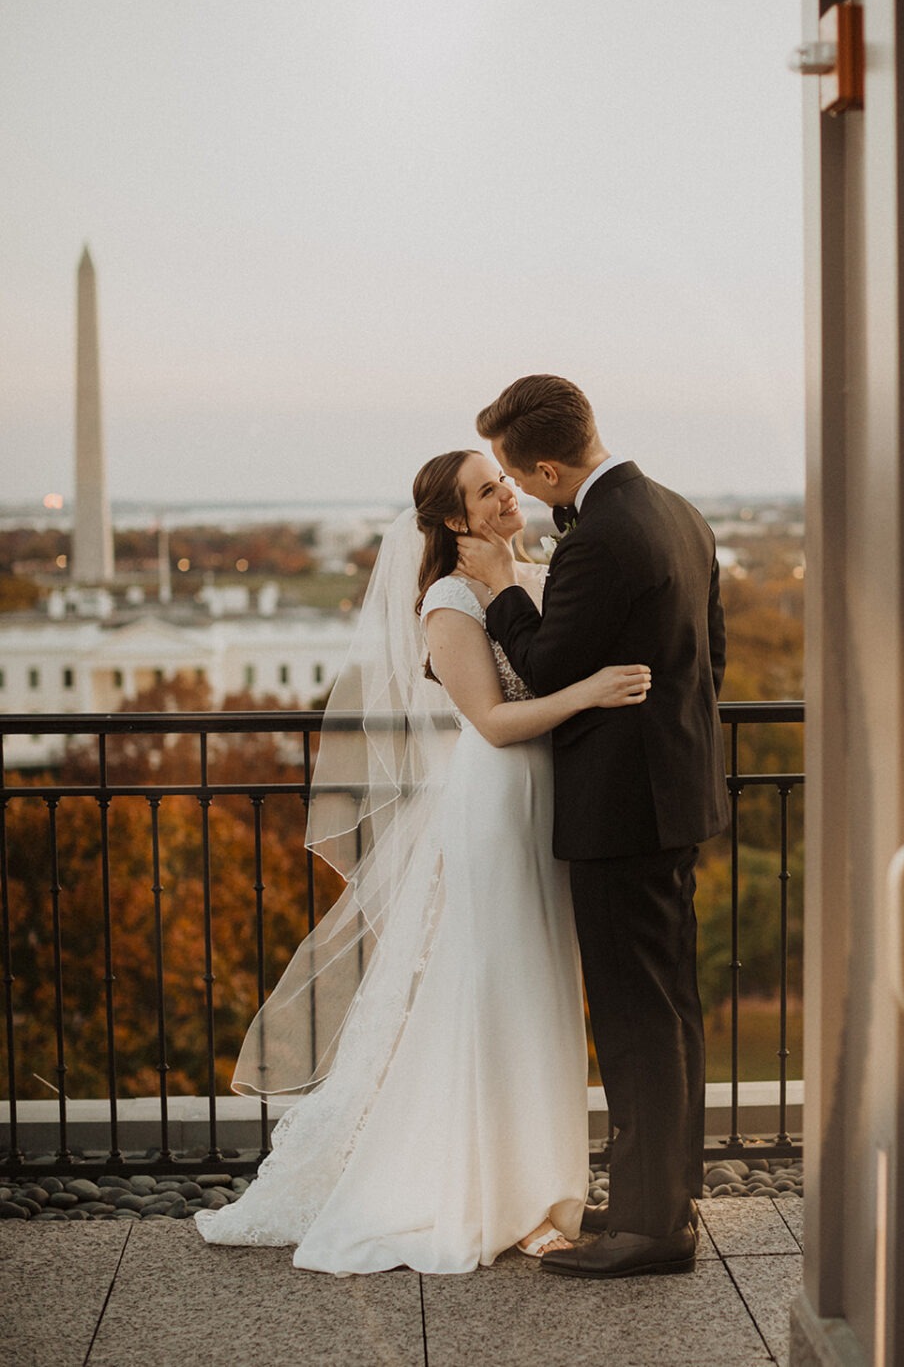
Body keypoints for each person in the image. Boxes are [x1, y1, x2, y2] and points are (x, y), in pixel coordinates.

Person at [195, 447, 651, 1274]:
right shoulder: (446, 598)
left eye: (504, 480)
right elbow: (492, 719)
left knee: (541, 988)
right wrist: (591, 693)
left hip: (545, 801)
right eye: (486, 490)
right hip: (497, 799)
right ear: (450, 520)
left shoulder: (532, 572)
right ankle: (485, 1191)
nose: (505, 493)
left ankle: (544, 1189)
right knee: (494, 987)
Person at [458, 375, 730, 1280]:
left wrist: (500, 586)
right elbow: (709, 657)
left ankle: (651, 1229)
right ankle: (662, 1197)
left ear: (542, 464)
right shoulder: (676, 510)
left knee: (632, 1015)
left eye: (515, 475)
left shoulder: (602, 539)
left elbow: (542, 667)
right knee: (668, 1005)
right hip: (674, 792)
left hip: (623, 807)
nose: (519, 492)